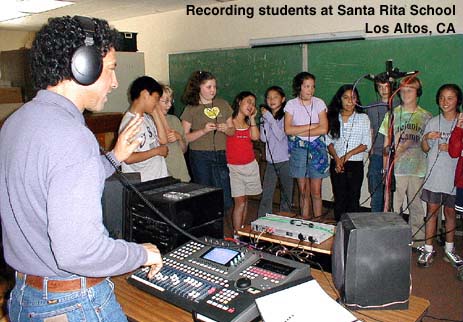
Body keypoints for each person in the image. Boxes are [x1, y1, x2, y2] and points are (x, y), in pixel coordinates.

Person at [0, 16, 162, 322]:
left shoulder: (15, 123)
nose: (115, 83)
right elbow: (80, 252)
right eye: (112, 68)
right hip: (71, 303)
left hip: (26, 297)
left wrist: (113, 158)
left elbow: (50, 185)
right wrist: (143, 253)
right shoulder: (72, 136)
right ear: (83, 66)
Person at [379, 76, 432, 249]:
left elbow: (428, 145)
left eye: (410, 90)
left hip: (417, 168)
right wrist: (385, 165)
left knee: (416, 206)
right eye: (402, 90)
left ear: (418, 93)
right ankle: (392, 239)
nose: (405, 93)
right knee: (394, 205)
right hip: (396, 169)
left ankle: (418, 240)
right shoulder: (392, 114)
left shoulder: (426, 116)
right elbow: (386, 144)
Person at [181, 70, 235, 232]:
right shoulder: (191, 108)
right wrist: (203, 131)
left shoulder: (223, 104)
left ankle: (226, 231)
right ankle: (208, 232)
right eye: (208, 86)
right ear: (199, 88)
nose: (213, 90)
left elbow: (233, 131)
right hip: (200, 156)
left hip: (220, 154)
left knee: (225, 197)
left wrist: (227, 129)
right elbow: (184, 138)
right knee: (205, 195)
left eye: (215, 87)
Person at [418, 84, 463, 268]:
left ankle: (449, 249)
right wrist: (427, 138)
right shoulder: (433, 121)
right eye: (442, 98)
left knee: (450, 213)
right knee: (432, 212)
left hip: (453, 177)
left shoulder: (460, 122)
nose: (445, 102)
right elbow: (425, 148)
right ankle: (428, 249)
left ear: (458, 101)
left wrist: (452, 147)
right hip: (434, 176)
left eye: (450, 98)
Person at [284, 72, 329, 220]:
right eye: (306, 86)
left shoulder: (319, 103)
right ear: (299, 87)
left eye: (312, 87)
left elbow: (323, 129)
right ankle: (304, 221)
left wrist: (301, 130)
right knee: (303, 190)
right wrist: (311, 125)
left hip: (317, 149)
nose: (310, 90)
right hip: (299, 150)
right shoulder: (291, 104)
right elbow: (288, 130)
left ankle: (318, 221)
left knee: (316, 191)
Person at [326, 85, 371, 221]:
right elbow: (328, 142)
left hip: (355, 164)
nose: (350, 101)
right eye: (346, 98)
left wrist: (348, 154)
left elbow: (366, 143)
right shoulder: (333, 117)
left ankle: (353, 232)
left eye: (353, 98)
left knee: (353, 198)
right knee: (339, 198)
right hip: (337, 163)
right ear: (340, 99)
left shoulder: (363, 118)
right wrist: (337, 158)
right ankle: (340, 229)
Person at [119, 76, 169, 182]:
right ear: (145, 94)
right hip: (144, 182)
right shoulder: (130, 122)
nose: (156, 103)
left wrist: (155, 113)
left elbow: (163, 140)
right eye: (155, 99)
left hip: (157, 178)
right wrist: (156, 151)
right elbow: (128, 158)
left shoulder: (146, 117)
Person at [226, 91, 262, 233]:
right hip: (234, 168)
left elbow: (255, 137)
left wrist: (253, 118)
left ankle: (241, 230)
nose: (251, 105)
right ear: (239, 101)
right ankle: (237, 234)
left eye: (253, 103)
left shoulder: (248, 123)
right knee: (239, 202)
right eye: (248, 101)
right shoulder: (229, 121)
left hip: (250, 166)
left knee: (245, 201)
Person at [258, 86, 293, 217]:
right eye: (269, 97)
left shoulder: (286, 117)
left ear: (283, 99)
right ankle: (262, 220)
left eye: (275, 97)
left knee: (286, 194)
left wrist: (269, 118)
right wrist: (265, 120)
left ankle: (285, 219)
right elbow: (263, 138)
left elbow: (280, 135)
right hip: (271, 162)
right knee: (267, 193)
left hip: (285, 161)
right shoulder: (265, 117)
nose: (271, 100)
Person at [366, 75, 391, 212]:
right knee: (376, 191)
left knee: (392, 194)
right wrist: (371, 151)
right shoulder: (371, 107)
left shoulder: (400, 106)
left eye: (386, 86)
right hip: (376, 154)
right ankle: (375, 222)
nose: (383, 90)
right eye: (380, 87)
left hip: (395, 156)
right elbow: (370, 130)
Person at [158, 84, 191, 182]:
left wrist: (179, 137)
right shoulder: (148, 121)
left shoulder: (174, 120)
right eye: (165, 101)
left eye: (171, 101)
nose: (169, 105)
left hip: (180, 174)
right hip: (163, 176)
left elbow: (184, 150)